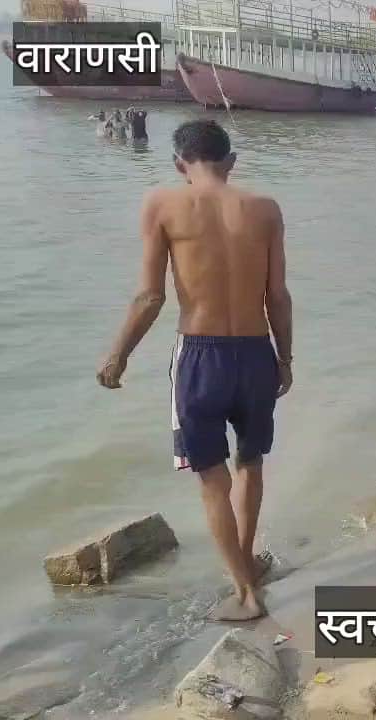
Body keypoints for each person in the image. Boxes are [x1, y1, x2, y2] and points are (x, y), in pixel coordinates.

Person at [95, 119, 292, 622]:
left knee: (211, 479)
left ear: (179, 163)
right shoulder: (266, 209)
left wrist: (118, 353)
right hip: (255, 352)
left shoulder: (162, 204)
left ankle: (245, 592)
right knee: (251, 462)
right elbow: (277, 296)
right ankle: (248, 562)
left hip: (201, 357)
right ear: (231, 162)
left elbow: (150, 295)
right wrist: (285, 358)